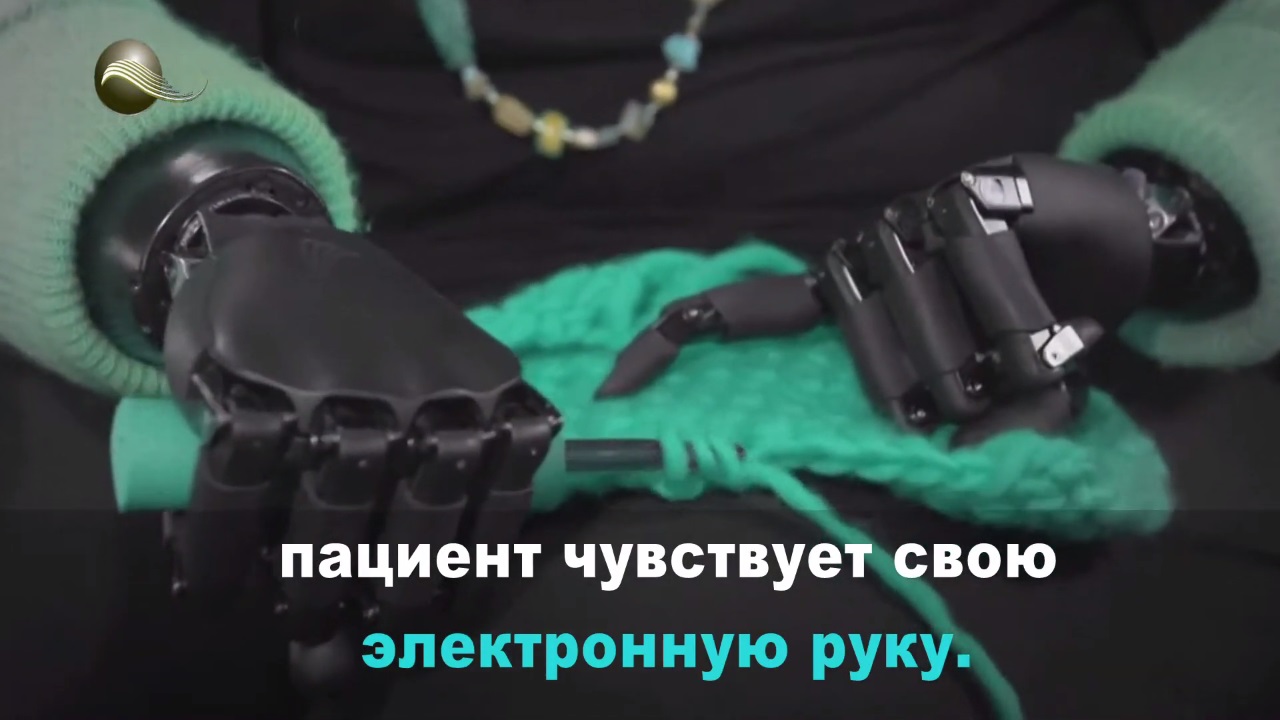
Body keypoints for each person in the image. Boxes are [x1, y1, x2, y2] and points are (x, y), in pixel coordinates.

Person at [2, 0, 1280, 718]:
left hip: (1025, 335)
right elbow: (61, 38)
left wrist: (1181, 215)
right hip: (338, 336)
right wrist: (191, 203)